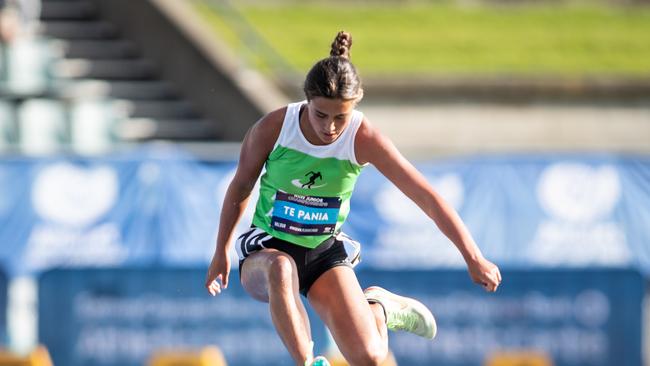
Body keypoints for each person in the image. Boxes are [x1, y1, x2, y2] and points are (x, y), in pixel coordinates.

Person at [205, 31, 502, 366]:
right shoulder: (274, 127)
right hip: (267, 248)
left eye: (340, 118)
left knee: (371, 360)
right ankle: (308, 362)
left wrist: (473, 257)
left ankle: (378, 308)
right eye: (321, 115)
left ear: (355, 107)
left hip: (322, 253)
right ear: (307, 101)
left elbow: (427, 197)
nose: (330, 128)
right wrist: (221, 251)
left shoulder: (364, 138)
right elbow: (242, 186)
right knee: (281, 268)